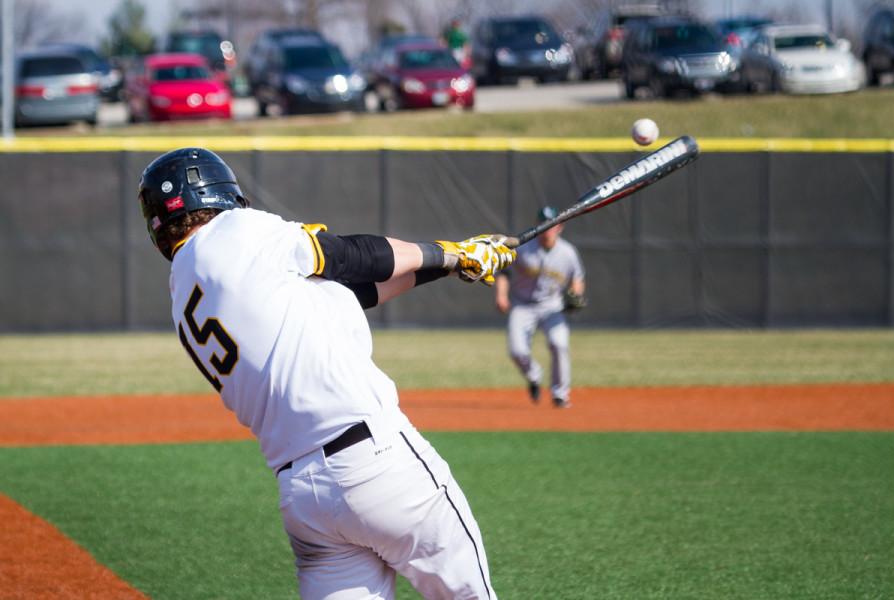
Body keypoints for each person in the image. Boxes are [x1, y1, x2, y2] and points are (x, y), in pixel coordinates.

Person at [138, 148, 516, 599]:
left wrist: (450, 264)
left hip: (305, 499)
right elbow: (347, 255)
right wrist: (448, 250)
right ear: (218, 190)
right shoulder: (237, 230)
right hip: (380, 466)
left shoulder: (185, 292)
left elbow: (349, 291)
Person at [494, 206, 586, 409]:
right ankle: (534, 375)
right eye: (543, 224)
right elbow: (505, 273)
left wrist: (576, 295)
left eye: (551, 225)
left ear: (560, 226)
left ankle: (560, 394)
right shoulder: (523, 248)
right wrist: (501, 295)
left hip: (552, 305)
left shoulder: (568, 253)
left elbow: (577, 279)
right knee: (517, 351)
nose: (547, 229)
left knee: (559, 344)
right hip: (522, 304)